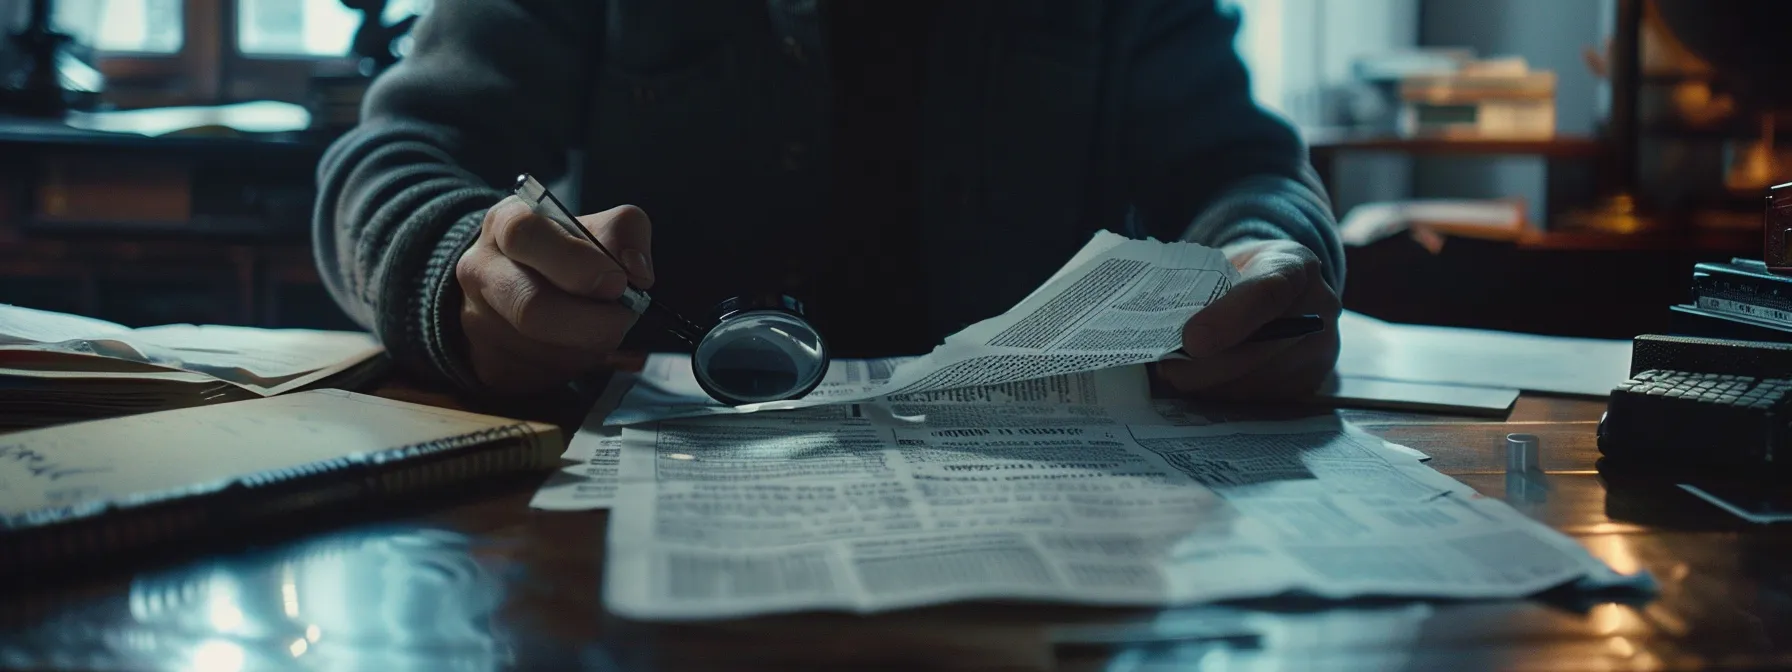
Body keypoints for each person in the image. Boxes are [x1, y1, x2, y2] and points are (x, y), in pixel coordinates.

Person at [313, 0, 1344, 405]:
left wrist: (1263, 258)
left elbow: (1239, 173)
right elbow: (398, 156)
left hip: (1072, 513)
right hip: (633, 526)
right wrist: (462, 270)